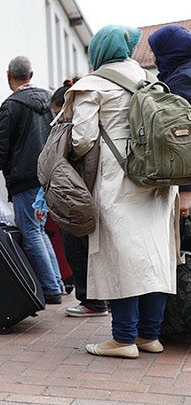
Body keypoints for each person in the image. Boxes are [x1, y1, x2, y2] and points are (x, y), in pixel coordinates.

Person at [63, 26, 178, 358]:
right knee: (155, 258)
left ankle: (123, 339)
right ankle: (149, 336)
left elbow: (82, 139)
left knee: (120, 258)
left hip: (118, 182)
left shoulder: (92, 86)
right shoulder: (150, 80)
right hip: (157, 182)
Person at [0, 55, 65, 305]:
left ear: (8, 75)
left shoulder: (10, 106)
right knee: (40, 230)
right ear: (31, 75)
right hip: (49, 176)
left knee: (31, 232)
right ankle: (56, 283)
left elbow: (0, 151)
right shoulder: (50, 99)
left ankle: (52, 288)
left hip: (24, 178)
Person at [38, 78, 109, 318]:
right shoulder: (92, 124)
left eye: (59, 113)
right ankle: (97, 299)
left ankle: (92, 301)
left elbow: (55, 166)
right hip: (93, 194)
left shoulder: (78, 132)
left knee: (77, 247)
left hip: (78, 197)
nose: (58, 119)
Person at [148, 25, 191, 218]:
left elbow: (183, 137)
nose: (154, 59)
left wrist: (186, 190)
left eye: (156, 53)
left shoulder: (181, 81)